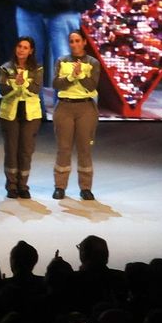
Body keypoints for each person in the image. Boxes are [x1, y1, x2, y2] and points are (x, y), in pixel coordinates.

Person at [53, 29, 101, 201]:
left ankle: (86, 188)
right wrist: (71, 77)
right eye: (71, 41)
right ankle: (60, 186)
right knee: (64, 148)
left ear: (84, 42)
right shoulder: (62, 61)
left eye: (77, 41)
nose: (74, 44)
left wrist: (80, 75)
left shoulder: (93, 62)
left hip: (86, 108)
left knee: (84, 149)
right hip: (64, 107)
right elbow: (56, 84)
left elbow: (92, 85)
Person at [0, 36, 44, 200]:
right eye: (19, 46)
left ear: (31, 51)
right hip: (10, 114)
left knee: (26, 151)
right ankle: (11, 186)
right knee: (11, 150)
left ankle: (23, 186)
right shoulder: (6, 68)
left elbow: (35, 89)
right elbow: (2, 90)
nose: (21, 50)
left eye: (25, 47)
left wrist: (22, 83)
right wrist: (15, 84)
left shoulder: (37, 69)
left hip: (30, 115)